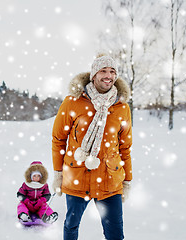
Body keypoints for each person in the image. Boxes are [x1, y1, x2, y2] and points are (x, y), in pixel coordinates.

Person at [51, 53, 132, 240]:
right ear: (93, 75)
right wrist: (58, 173)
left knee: (115, 233)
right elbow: (58, 139)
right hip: (77, 175)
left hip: (109, 179)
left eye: (112, 72)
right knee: (71, 226)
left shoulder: (121, 108)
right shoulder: (73, 102)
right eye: (103, 71)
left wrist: (127, 180)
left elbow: (125, 147)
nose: (108, 76)